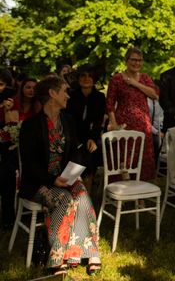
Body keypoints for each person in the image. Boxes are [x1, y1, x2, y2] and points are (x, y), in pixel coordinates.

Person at [19, 76, 101, 276]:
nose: (68, 95)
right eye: (64, 91)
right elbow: (29, 165)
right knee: (64, 199)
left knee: (82, 196)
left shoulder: (68, 120)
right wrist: (52, 180)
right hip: (39, 182)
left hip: (64, 178)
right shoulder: (30, 125)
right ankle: (57, 257)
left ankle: (91, 253)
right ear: (52, 93)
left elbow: (73, 151)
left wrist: (74, 172)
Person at [106, 47, 159, 181]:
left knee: (142, 158)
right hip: (124, 125)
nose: (137, 63)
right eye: (133, 60)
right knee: (123, 159)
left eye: (139, 60)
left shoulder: (145, 78)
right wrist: (114, 124)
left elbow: (154, 94)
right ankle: (122, 192)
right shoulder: (117, 79)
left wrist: (136, 84)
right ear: (126, 61)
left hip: (143, 125)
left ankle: (140, 196)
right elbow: (109, 104)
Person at [66, 65, 106, 194]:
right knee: (79, 152)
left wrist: (93, 139)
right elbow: (67, 120)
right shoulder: (71, 96)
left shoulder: (99, 97)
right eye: (83, 75)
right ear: (78, 78)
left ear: (94, 79)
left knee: (91, 151)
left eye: (90, 76)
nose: (86, 78)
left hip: (91, 136)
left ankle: (85, 196)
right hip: (72, 136)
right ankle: (70, 191)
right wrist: (75, 140)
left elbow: (98, 122)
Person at [0, 68, 18, 228]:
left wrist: (7, 110)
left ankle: (7, 218)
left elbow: (11, 128)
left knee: (8, 175)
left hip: (6, 148)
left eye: (0, 84)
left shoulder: (10, 99)